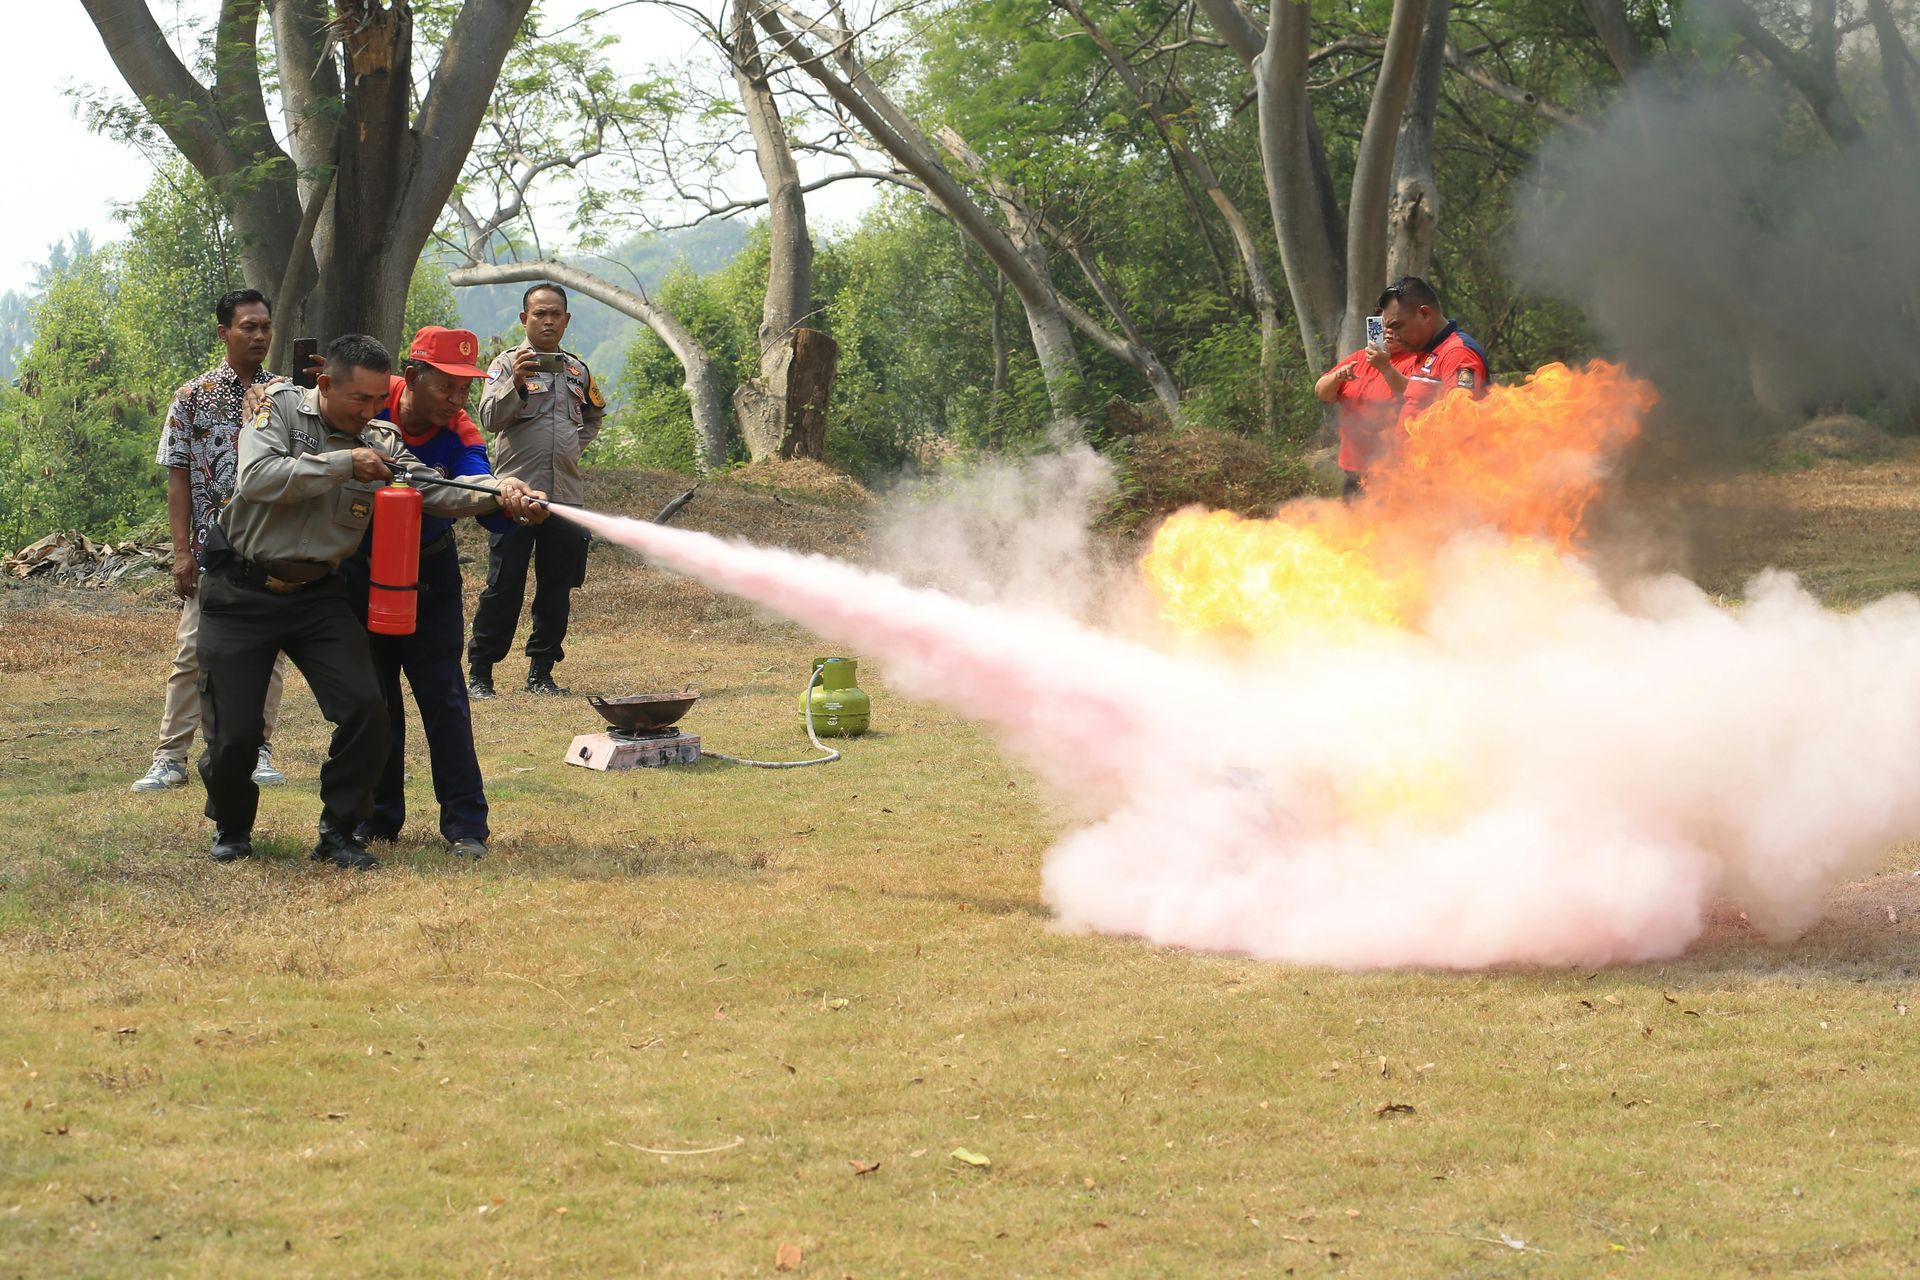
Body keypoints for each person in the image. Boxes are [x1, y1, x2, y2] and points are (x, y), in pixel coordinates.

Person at [194, 334, 547, 869]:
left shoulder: (381, 440)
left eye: (376, 400)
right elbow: (258, 479)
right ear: (326, 384)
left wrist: (502, 493)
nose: (369, 411)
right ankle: (232, 823)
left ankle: (340, 830)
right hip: (242, 590)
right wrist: (343, 464)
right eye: (359, 400)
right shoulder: (279, 411)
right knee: (236, 735)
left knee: (367, 709)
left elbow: (434, 490)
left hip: (319, 596)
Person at [336, 327, 525, 859]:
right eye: (448, 386)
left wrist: (507, 497)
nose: (457, 401)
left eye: (466, 390)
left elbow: (475, 484)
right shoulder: (371, 405)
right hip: (361, 573)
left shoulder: (461, 430)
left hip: (429, 578)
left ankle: (466, 825)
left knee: (444, 697)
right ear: (414, 376)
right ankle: (377, 818)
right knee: (375, 700)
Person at [133, 289, 291, 793]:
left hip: (271, 545)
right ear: (224, 332)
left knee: (269, 651)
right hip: (211, 549)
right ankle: (170, 756)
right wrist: (182, 553)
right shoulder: (192, 397)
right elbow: (177, 477)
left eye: (265, 326)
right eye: (248, 327)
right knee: (193, 652)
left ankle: (259, 748)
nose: (259, 336)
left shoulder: (286, 396)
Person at [468, 283, 604, 698]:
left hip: (564, 497)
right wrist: (518, 383)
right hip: (515, 497)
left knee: (557, 588)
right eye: (539, 313)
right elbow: (489, 418)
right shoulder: (506, 365)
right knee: (502, 586)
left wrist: (571, 450)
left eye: (556, 314)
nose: (548, 320)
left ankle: (541, 674)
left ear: (566, 319)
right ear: (523, 319)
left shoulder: (578, 370)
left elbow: (595, 415)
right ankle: (481, 673)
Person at [1315, 315, 1423, 500]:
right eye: (1384, 324)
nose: (1389, 330)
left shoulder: (1416, 361)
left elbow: (1414, 396)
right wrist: (1337, 378)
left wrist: (1385, 367)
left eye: (1396, 325)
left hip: (1392, 471)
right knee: (1353, 525)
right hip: (1354, 468)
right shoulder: (1360, 357)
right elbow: (1321, 392)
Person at [1376, 275, 1489, 425]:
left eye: (1397, 327)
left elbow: (1460, 419)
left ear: (1425, 314)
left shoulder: (1458, 353)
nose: (1394, 336)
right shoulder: (1425, 350)